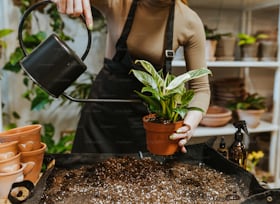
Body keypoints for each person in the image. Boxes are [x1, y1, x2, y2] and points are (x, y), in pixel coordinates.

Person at [52, 0, 211, 154]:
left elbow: (201, 89)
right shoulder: (119, 3)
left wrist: (188, 127)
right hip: (101, 119)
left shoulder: (189, 21)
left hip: (150, 126)